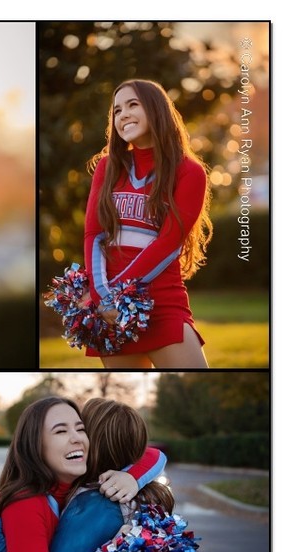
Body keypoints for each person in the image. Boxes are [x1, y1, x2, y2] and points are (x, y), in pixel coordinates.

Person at [0, 397, 203, 552]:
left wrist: (132, 477)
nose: (76, 438)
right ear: (34, 444)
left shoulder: (81, 491)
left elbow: (152, 454)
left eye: (80, 429)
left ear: (94, 442)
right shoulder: (31, 503)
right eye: (61, 431)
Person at [81, 79, 212, 368]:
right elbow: (94, 234)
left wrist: (117, 292)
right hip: (108, 308)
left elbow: (169, 243)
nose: (123, 114)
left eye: (132, 105)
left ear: (156, 109)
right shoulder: (108, 167)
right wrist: (103, 296)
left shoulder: (189, 172)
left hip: (161, 301)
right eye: (116, 110)